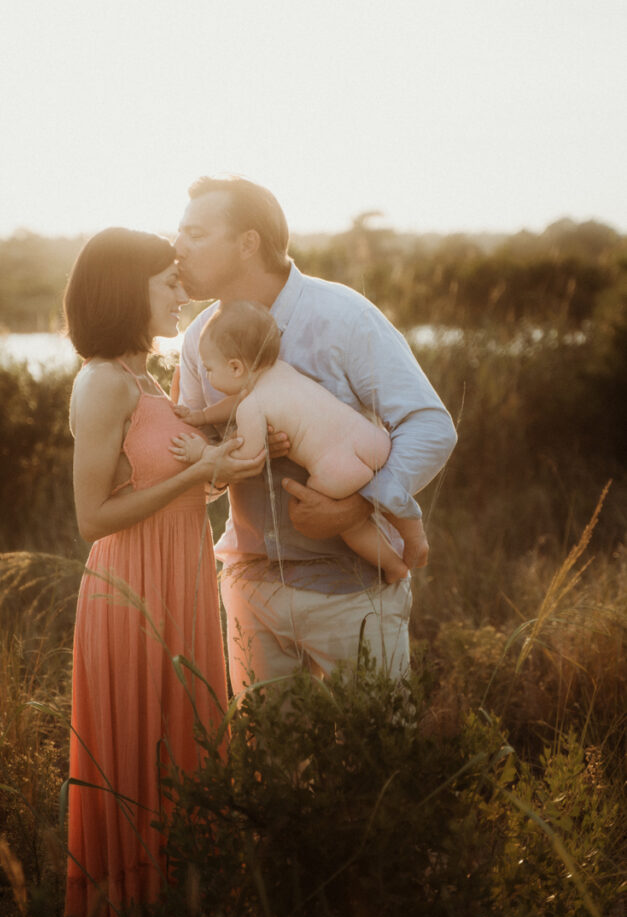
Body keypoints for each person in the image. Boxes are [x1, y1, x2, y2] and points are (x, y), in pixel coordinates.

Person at [61, 227, 265, 917]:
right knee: (138, 765)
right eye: (165, 282)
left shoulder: (139, 374)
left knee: (187, 753)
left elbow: (173, 475)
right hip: (129, 592)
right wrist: (208, 466)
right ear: (125, 290)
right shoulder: (100, 386)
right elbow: (91, 517)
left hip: (182, 583)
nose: (180, 296)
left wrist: (220, 458)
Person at [175, 176, 457, 692]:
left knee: (377, 761)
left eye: (195, 234)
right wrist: (226, 457)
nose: (177, 249)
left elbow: (430, 425)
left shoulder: (343, 316)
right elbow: (202, 483)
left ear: (247, 243)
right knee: (267, 769)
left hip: (351, 589)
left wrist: (359, 505)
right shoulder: (198, 340)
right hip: (250, 591)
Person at [173, 299, 407, 582]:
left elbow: (246, 458)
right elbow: (238, 399)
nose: (207, 375)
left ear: (235, 368)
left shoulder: (252, 408)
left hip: (336, 469)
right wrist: (201, 416)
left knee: (350, 524)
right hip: (371, 440)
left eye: (209, 369)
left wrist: (203, 451)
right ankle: (413, 536)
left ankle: (394, 566)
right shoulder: (280, 371)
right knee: (388, 491)